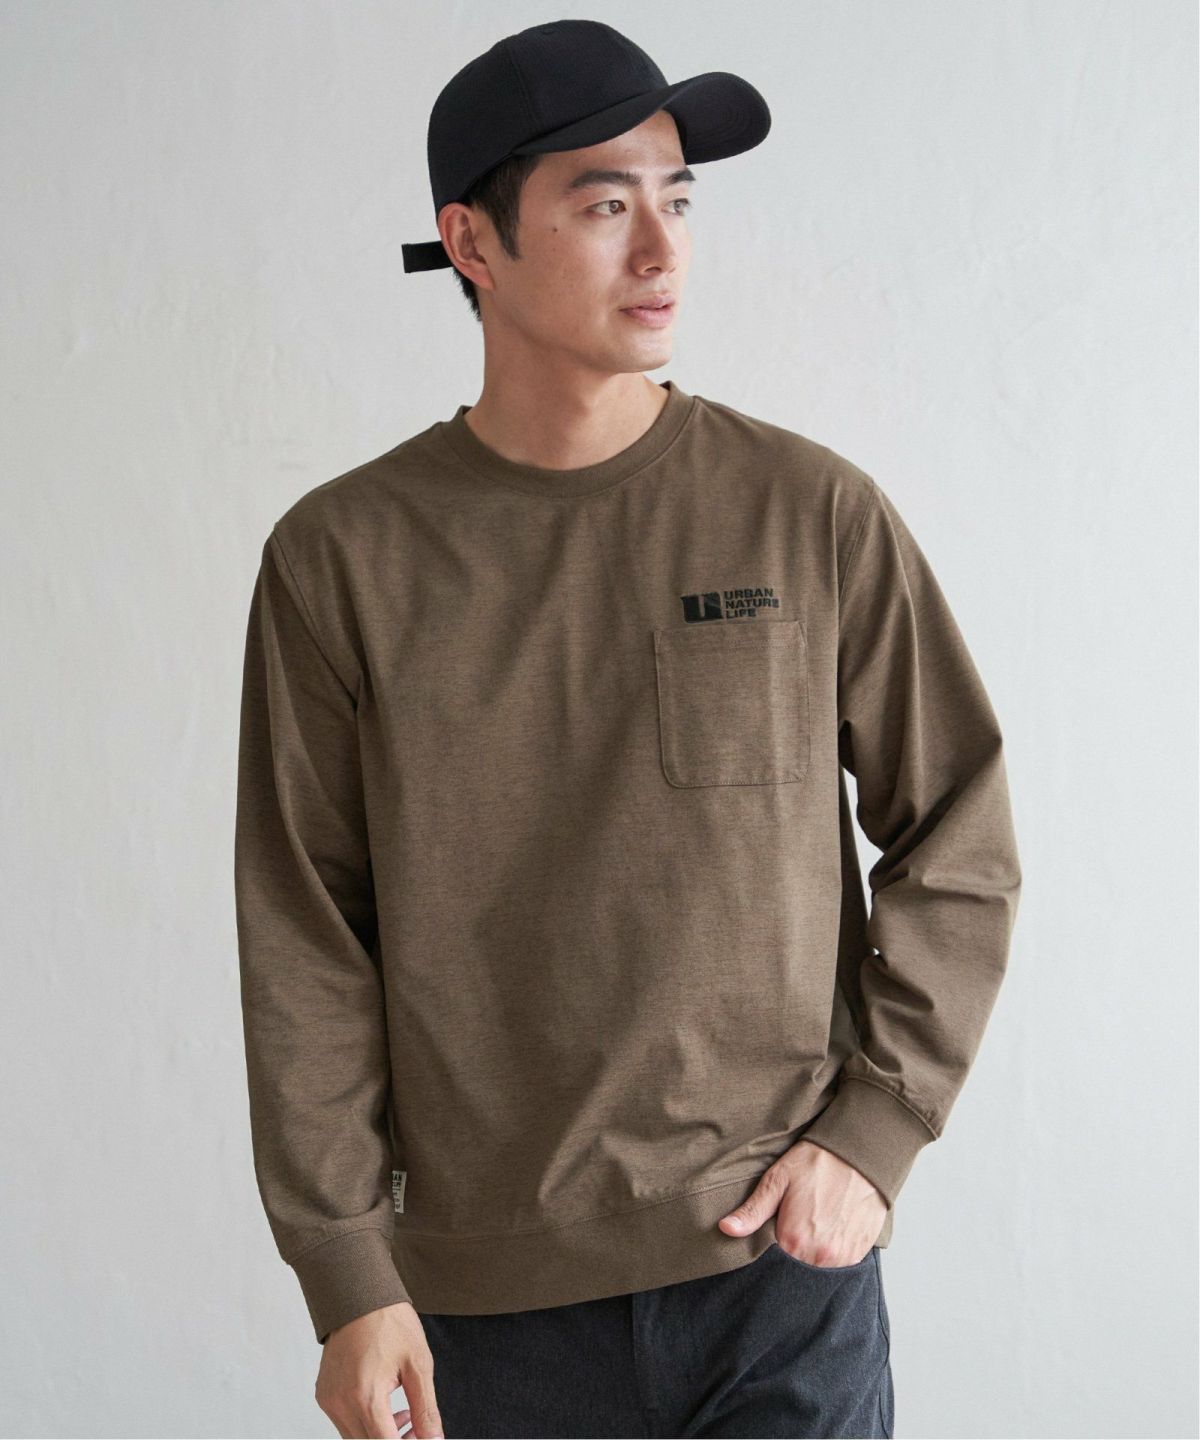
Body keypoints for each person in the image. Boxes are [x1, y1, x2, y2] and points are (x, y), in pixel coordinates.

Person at [233, 19, 1022, 1440]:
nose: (662, 250)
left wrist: (875, 1130)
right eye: (605, 206)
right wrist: (344, 1271)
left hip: (775, 1281)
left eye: (679, 199)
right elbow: (307, 934)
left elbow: (960, 827)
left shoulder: (807, 512)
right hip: (483, 1311)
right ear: (471, 244)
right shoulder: (341, 559)